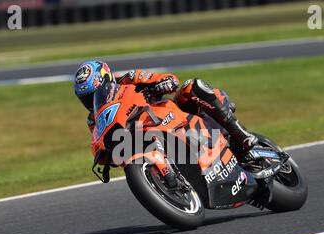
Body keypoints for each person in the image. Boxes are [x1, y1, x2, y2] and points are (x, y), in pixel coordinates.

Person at [73, 60, 257, 162]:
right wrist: (101, 153)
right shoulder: (94, 120)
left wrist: (163, 83)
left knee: (191, 87)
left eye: (95, 94)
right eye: (87, 99)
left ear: (108, 80)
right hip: (143, 139)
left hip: (171, 117)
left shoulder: (129, 78)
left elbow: (168, 78)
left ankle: (240, 135)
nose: (92, 101)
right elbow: (100, 143)